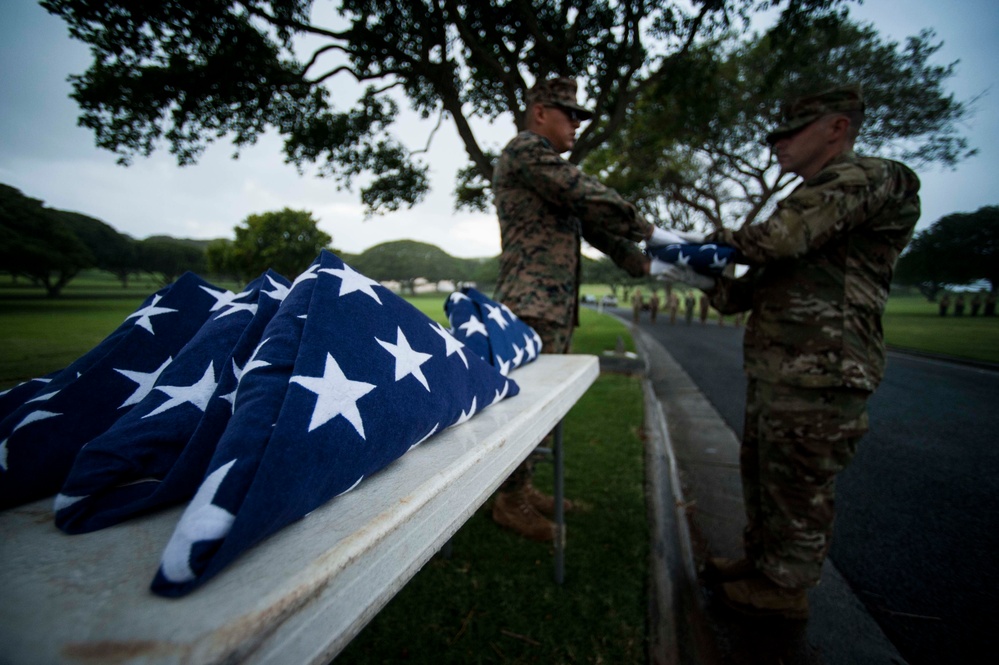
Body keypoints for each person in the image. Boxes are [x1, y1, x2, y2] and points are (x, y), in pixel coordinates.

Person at [654, 84, 920, 619]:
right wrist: (684, 268)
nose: (777, 144)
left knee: (798, 483)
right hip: (783, 369)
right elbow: (740, 294)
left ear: (837, 127)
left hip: (825, 370)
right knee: (763, 473)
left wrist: (688, 244)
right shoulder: (813, 205)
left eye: (790, 132)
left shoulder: (868, 177)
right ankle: (763, 564)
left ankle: (786, 589)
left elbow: (777, 239)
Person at [491, 77, 668, 541]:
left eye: (578, 116)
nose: (575, 124)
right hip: (529, 304)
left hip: (552, 305)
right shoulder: (526, 152)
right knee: (526, 408)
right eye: (568, 114)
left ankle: (524, 488)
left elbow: (590, 223)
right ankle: (510, 500)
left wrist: (642, 261)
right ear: (539, 113)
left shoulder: (549, 175)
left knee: (545, 410)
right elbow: (587, 194)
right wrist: (648, 229)